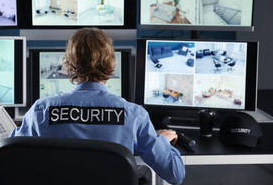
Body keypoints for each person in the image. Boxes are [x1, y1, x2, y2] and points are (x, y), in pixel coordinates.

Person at [10, 28, 185, 185]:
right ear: (111, 64)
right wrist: (160, 141)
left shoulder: (41, 110)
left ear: (70, 65)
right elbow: (175, 174)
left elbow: (10, 156)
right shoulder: (134, 115)